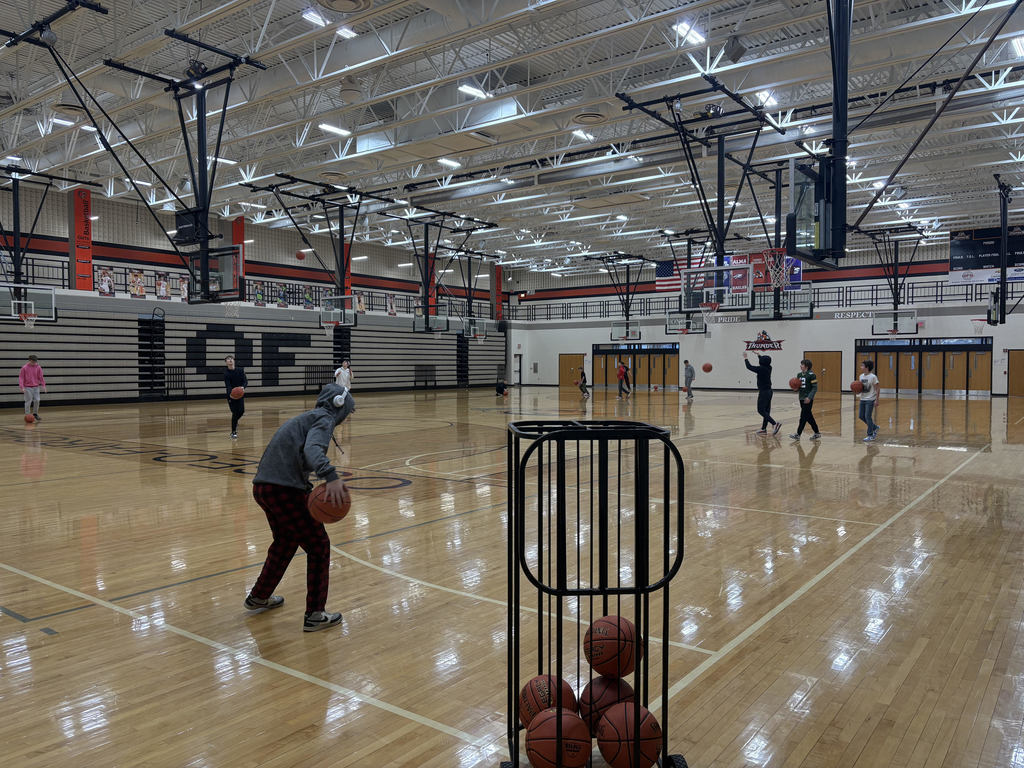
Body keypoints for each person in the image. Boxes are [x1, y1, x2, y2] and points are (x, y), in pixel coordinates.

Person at [246, 383, 355, 632]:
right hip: (283, 490)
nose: (346, 417)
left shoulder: (308, 417)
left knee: (285, 542)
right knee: (319, 546)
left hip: (264, 488)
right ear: (339, 405)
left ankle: (259, 596)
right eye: (347, 411)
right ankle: (315, 614)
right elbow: (312, 451)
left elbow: (296, 457)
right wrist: (331, 476)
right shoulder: (324, 419)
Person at [744, 352, 781, 435]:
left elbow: (749, 367)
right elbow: (763, 361)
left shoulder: (761, 369)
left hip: (764, 392)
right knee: (766, 411)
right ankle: (763, 429)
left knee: (760, 410)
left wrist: (745, 358)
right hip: (769, 391)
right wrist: (758, 355)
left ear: (762, 362)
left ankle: (775, 424)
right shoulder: (769, 367)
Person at [789, 358, 821, 441]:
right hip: (801, 398)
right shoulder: (799, 375)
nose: (800, 366)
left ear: (806, 366)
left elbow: (814, 388)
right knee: (808, 416)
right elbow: (799, 386)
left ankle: (798, 434)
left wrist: (809, 397)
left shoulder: (812, 375)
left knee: (803, 416)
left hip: (808, 399)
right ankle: (817, 433)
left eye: (802, 365)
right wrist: (796, 389)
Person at [224, 355, 248, 439]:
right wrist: (232, 394)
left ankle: (235, 421)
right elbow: (228, 386)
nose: (230, 360)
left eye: (231, 359)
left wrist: (242, 387)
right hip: (231, 395)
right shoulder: (226, 373)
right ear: (226, 363)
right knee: (234, 413)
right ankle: (233, 432)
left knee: (241, 411)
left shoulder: (240, 370)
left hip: (240, 394)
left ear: (234, 361)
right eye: (228, 359)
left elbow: (245, 381)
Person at [858, 359, 881, 442]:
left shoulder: (873, 377)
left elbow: (877, 389)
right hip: (863, 398)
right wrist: (857, 391)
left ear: (867, 367)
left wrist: (877, 400)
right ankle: (875, 427)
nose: (861, 367)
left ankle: (870, 435)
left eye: (862, 365)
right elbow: (861, 388)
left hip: (870, 399)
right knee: (861, 416)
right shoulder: (861, 376)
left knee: (867, 416)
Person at [19, 354, 47, 422]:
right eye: (33, 361)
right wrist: (22, 387)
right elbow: (21, 378)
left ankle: (35, 414)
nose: (34, 363)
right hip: (27, 387)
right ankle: (27, 415)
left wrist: (43, 385)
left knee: (37, 400)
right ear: (30, 360)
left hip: (36, 387)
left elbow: (41, 377)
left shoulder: (38, 367)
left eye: (35, 361)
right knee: (28, 401)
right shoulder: (24, 368)